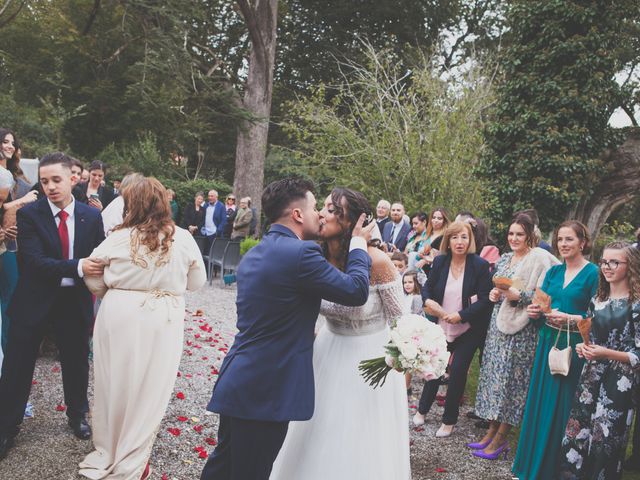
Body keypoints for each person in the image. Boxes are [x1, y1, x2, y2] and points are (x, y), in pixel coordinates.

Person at [201, 178, 373, 480]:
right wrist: (358, 243)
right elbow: (356, 290)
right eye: (314, 207)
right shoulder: (301, 255)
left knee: (223, 467)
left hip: (241, 379)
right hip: (266, 390)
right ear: (296, 215)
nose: (320, 214)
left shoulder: (256, 252)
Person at [270, 187, 410, 480]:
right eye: (323, 207)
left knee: (359, 437)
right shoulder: (314, 258)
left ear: (353, 223)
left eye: (333, 210)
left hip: (371, 359)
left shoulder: (377, 262)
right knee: (318, 428)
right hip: (327, 350)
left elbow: (403, 323)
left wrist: (405, 360)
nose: (321, 213)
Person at [78, 177, 206, 480]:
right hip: (163, 317)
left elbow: (93, 277)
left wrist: (118, 294)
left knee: (115, 382)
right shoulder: (183, 239)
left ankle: (110, 447)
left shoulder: (117, 238)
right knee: (151, 386)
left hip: (118, 314)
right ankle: (133, 457)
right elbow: (197, 282)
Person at [0, 152, 105, 460]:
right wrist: (80, 266)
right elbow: (33, 264)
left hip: (74, 299)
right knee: (18, 364)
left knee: (76, 360)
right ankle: (6, 426)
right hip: (34, 297)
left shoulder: (92, 216)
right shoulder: (29, 215)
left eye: (56, 180)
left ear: (73, 178)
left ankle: (77, 415)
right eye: (44, 181)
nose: (50, 187)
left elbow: (99, 258)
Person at [513, 221, 598, 479]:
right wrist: (535, 312)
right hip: (548, 342)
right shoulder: (552, 273)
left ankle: (555, 469)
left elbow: (597, 315)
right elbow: (541, 306)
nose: (563, 244)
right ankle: (530, 466)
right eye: (560, 239)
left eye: (569, 239)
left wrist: (571, 318)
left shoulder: (593, 273)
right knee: (540, 403)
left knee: (563, 405)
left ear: (582, 242)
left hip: (574, 346)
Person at [471, 214, 559, 460]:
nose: (514, 238)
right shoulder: (507, 258)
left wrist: (517, 295)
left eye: (519, 234)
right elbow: (503, 287)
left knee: (512, 383)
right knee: (496, 378)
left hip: (522, 331)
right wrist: (494, 295)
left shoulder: (539, 259)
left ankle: (501, 438)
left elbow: (541, 295)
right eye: (511, 234)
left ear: (530, 235)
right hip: (498, 324)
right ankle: (490, 431)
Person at [558, 241, 640, 479]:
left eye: (615, 262)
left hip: (619, 383)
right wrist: (585, 347)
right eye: (604, 261)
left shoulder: (636, 305)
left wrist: (606, 353)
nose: (607, 266)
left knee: (605, 438)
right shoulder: (598, 300)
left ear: (631, 265)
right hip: (590, 376)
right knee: (579, 432)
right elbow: (593, 338)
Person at [413, 221, 493, 437]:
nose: (460, 242)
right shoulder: (440, 262)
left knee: (457, 370)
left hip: (468, 328)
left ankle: (449, 420)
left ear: (471, 240)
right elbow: (428, 287)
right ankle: (422, 409)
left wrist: (461, 316)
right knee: (436, 369)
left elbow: (486, 299)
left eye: (464, 237)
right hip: (441, 325)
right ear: (448, 241)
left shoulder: (479, 265)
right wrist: (429, 301)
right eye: (455, 237)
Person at [415, 207, 450, 272]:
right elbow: (417, 255)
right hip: (419, 269)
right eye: (434, 217)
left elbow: (444, 256)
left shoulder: (445, 236)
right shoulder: (426, 234)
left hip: (436, 270)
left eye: (439, 218)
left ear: (444, 221)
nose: (436, 220)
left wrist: (426, 260)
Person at [199, 189, 226, 253]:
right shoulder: (206, 205)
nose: (210, 198)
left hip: (214, 234)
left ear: (216, 197)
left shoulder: (221, 206)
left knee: (213, 253)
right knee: (205, 252)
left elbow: (224, 220)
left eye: (212, 196)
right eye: (209, 196)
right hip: (205, 233)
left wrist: (218, 231)